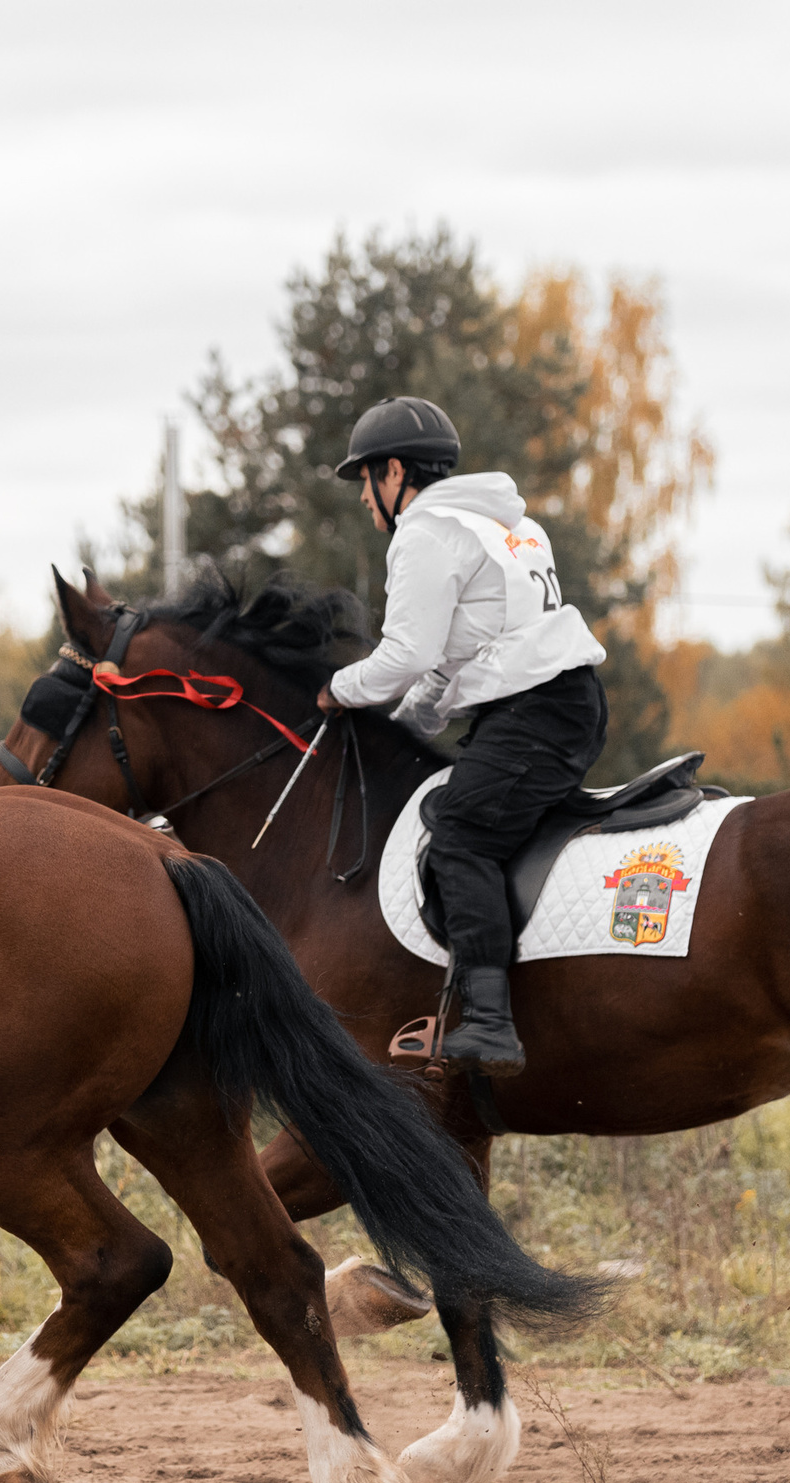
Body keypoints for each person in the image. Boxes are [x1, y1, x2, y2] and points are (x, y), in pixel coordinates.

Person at [316, 397, 608, 1076]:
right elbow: (456, 662)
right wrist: (406, 724)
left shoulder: (423, 534)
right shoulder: (505, 524)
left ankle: (489, 1022)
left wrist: (338, 689)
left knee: (460, 835)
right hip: (561, 704)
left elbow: (407, 656)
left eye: (366, 479)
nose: (364, 497)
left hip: (532, 714)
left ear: (395, 472)